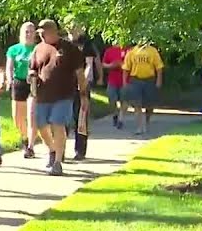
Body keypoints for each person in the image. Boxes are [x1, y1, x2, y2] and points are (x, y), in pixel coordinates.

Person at [27, 19, 87, 176]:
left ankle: (58, 162)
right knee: (41, 125)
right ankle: (52, 150)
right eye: (40, 33)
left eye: (44, 33)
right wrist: (31, 75)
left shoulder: (69, 49)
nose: (41, 36)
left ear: (53, 31)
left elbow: (80, 73)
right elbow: (32, 68)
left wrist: (83, 94)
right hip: (42, 95)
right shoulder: (38, 49)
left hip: (64, 95)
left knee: (58, 124)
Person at [6, 22, 38, 158]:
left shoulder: (37, 49)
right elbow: (9, 67)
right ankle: (25, 138)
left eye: (31, 31)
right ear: (21, 33)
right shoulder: (14, 49)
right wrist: (9, 80)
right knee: (17, 118)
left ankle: (30, 146)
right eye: (26, 31)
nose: (28, 34)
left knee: (31, 115)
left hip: (33, 83)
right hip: (18, 83)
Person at [68, 27, 100, 161]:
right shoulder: (63, 43)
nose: (72, 29)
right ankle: (59, 150)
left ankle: (80, 150)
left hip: (81, 85)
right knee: (63, 118)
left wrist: (83, 84)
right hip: (65, 85)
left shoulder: (86, 44)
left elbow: (89, 65)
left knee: (80, 118)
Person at [121, 39, 164, 134]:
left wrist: (159, 81)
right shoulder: (132, 51)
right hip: (135, 80)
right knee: (137, 104)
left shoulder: (152, 51)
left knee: (150, 105)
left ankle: (147, 121)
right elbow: (126, 68)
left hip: (149, 80)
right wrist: (124, 82)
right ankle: (139, 127)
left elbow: (159, 67)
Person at [101, 41, 129, 129]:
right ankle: (115, 114)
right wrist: (111, 65)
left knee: (125, 99)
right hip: (112, 80)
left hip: (125, 80)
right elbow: (104, 64)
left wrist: (122, 65)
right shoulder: (109, 51)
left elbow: (132, 65)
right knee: (111, 98)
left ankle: (121, 119)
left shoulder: (128, 50)